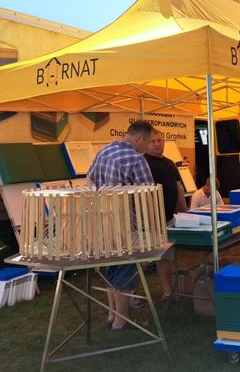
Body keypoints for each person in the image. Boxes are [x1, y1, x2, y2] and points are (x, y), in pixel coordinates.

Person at [87, 120, 154, 330]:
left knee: (111, 267)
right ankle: (121, 321)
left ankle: (112, 315)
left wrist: (100, 201)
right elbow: (148, 192)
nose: (148, 147)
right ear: (139, 138)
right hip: (126, 223)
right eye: (148, 142)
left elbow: (90, 179)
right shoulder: (136, 158)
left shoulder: (104, 151)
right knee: (126, 269)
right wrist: (150, 224)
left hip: (103, 223)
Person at [144, 130, 187, 300]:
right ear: (146, 143)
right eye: (153, 141)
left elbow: (178, 188)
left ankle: (168, 292)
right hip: (149, 220)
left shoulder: (169, 163)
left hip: (168, 218)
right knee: (140, 260)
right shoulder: (143, 163)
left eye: (159, 140)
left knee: (166, 256)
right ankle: (131, 295)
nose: (157, 144)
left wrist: (184, 211)